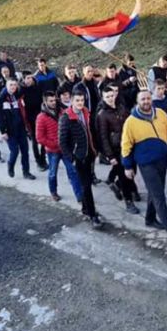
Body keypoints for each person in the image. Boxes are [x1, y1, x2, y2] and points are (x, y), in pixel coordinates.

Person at [122, 89, 167, 243]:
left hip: (162, 160)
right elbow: (126, 146)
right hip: (146, 164)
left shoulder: (161, 114)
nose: (146, 101)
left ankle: (150, 219)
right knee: (159, 196)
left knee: (155, 191)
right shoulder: (130, 122)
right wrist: (127, 166)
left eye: (148, 98)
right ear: (138, 101)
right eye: (143, 99)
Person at [59, 89, 103, 228]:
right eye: (77, 100)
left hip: (89, 153)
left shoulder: (86, 112)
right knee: (86, 186)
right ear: (71, 101)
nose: (80, 103)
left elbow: (91, 132)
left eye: (82, 100)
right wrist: (71, 158)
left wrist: (95, 149)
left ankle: (85, 208)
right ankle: (92, 215)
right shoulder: (66, 118)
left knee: (88, 182)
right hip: (79, 157)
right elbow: (62, 142)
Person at [97, 84, 140, 214]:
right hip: (116, 149)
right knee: (124, 175)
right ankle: (128, 201)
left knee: (133, 170)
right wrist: (110, 156)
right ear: (103, 97)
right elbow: (103, 137)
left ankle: (118, 185)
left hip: (128, 145)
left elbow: (130, 123)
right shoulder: (102, 114)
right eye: (107, 97)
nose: (110, 98)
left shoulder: (121, 107)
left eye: (112, 95)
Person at [36, 91, 83, 202]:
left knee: (73, 171)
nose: (53, 103)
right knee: (52, 173)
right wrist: (55, 144)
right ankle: (53, 192)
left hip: (66, 149)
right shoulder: (41, 117)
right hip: (53, 151)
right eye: (51, 101)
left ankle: (80, 196)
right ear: (45, 101)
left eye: (54, 100)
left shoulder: (62, 112)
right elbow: (40, 138)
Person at [0, 78, 36, 180]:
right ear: (6, 86)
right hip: (10, 131)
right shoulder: (1, 98)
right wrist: (3, 132)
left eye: (14, 85)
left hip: (21, 129)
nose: (13, 87)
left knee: (25, 151)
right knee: (14, 151)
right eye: (11, 85)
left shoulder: (17, 95)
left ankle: (26, 172)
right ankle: (10, 165)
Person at [21, 73, 48, 171]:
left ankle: (43, 158)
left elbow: (44, 100)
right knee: (35, 140)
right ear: (24, 79)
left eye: (31, 78)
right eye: (27, 78)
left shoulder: (38, 87)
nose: (30, 80)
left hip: (40, 116)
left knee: (44, 138)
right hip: (29, 118)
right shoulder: (21, 90)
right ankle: (38, 161)